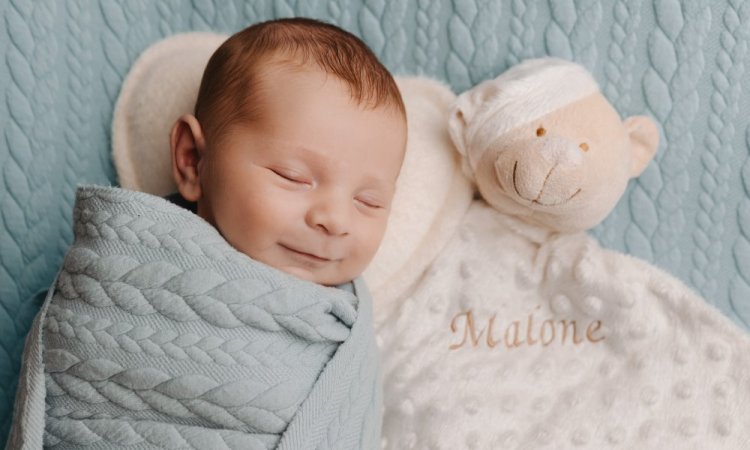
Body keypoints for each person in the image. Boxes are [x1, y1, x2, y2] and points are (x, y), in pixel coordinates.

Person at [168, 17, 407, 287]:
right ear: (193, 159)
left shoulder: (346, 317)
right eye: (293, 177)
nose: (336, 221)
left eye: (368, 201)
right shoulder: (135, 241)